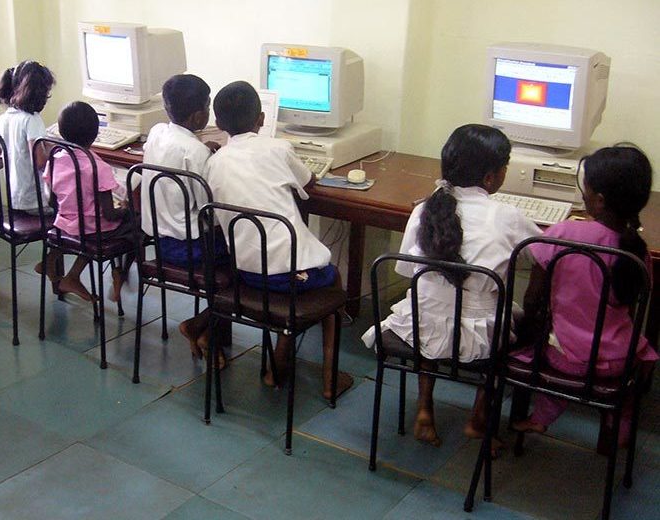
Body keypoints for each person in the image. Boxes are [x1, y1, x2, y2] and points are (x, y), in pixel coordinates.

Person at [361, 124, 541, 448]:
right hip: (478, 339)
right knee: (518, 324)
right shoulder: (507, 215)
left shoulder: (425, 208)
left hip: (418, 326)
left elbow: (405, 269)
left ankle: (424, 408)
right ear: (491, 177)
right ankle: (479, 418)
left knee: (433, 309)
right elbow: (545, 252)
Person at [205, 80, 352, 400]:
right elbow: (309, 182)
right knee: (332, 280)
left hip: (247, 273)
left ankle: (278, 363)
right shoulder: (278, 148)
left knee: (293, 278)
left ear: (218, 125)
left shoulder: (214, 162)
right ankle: (329, 378)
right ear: (261, 119)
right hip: (286, 278)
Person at [513, 145, 657, 447]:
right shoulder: (636, 251)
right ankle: (616, 429)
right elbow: (629, 307)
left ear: (600, 201)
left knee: (544, 349)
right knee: (627, 382)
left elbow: (532, 300)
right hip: (621, 360)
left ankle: (540, 417)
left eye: (586, 189)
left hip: (568, 359)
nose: (583, 195)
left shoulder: (564, 232)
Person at [142, 74, 225, 359]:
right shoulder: (195, 153)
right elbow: (210, 213)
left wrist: (205, 151)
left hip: (160, 240)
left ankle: (208, 328)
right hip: (189, 250)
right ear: (199, 115)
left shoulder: (156, 133)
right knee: (246, 260)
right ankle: (202, 326)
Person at [42, 101, 135, 302]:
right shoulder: (97, 166)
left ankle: (55, 262)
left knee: (85, 225)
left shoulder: (55, 158)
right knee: (137, 224)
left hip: (64, 223)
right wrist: (125, 209)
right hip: (93, 229)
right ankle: (120, 274)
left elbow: (51, 200)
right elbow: (109, 214)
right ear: (95, 134)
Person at [0, 60, 58, 283]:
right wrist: (53, 147)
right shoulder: (32, 121)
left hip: (14, 200)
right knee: (79, 211)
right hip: (37, 203)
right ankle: (53, 263)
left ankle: (54, 268)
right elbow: (40, 162)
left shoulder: (1, 121)